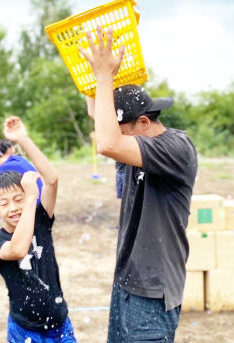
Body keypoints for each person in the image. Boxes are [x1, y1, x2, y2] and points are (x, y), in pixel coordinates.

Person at [79, 27, 198, 342]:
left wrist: (105, 77)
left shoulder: (176, 148)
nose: (118, 140)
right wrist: (93, 73)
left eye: (123, 132)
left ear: (144, 122)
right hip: (129, 281)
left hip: (153, 289)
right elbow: (99, 117)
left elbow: (106, 142)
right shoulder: (135, 140)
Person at [0, 116, 76, 342]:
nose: (14, 207)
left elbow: (52, 180)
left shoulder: (41, 221)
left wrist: (23, 139)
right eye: (4, 203)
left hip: (59, 321)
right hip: (24, 328)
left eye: (19, 199)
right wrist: (29, 200)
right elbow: (17, 250)